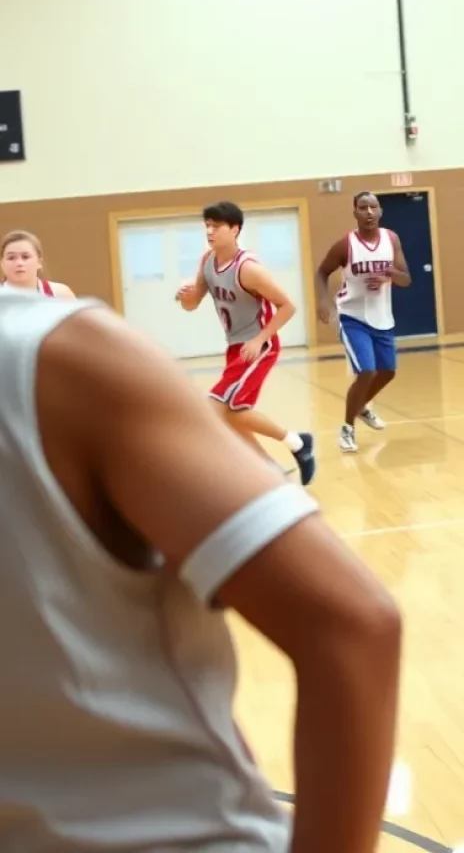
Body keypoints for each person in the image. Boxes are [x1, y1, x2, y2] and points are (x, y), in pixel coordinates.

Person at [0, 288, 401, 851]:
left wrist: (261, 338)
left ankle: (283, 453)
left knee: (225, 410)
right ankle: (289, 446)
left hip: (174, 832)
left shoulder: (55, 354)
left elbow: (353, 623)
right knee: (224, 410)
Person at [175, 201, 316, 484]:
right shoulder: (207, 261)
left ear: (235, 229)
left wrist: (260, 339)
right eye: (207, 226)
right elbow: (193, 304)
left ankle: (285, 453)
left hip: (259, 346)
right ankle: (285, 457)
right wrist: (184, 296)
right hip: (235, 347)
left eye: (216, 226)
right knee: (234, 414)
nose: (210, 231)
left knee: (216, 410)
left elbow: (288, 306)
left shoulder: (249, 269)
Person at [315, 192, 411, 453]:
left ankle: (362, 407)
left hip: (382, 317)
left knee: (388, 371)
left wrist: (387, 274)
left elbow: (405, 279)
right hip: (352, 315)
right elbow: (322, 272)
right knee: (366, 370)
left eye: (373, 207)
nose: (368, 212)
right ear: (355, 213)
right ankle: (347, 428)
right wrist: (323, 301)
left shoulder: (391, 240)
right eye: (362, 207)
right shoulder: (345, 244)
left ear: (380, 211)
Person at [1, 230, 75, 297]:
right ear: (2, 264)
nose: (19, 263)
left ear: (39, 262)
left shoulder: (61, 293)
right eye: (11, 258)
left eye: (25, 257)